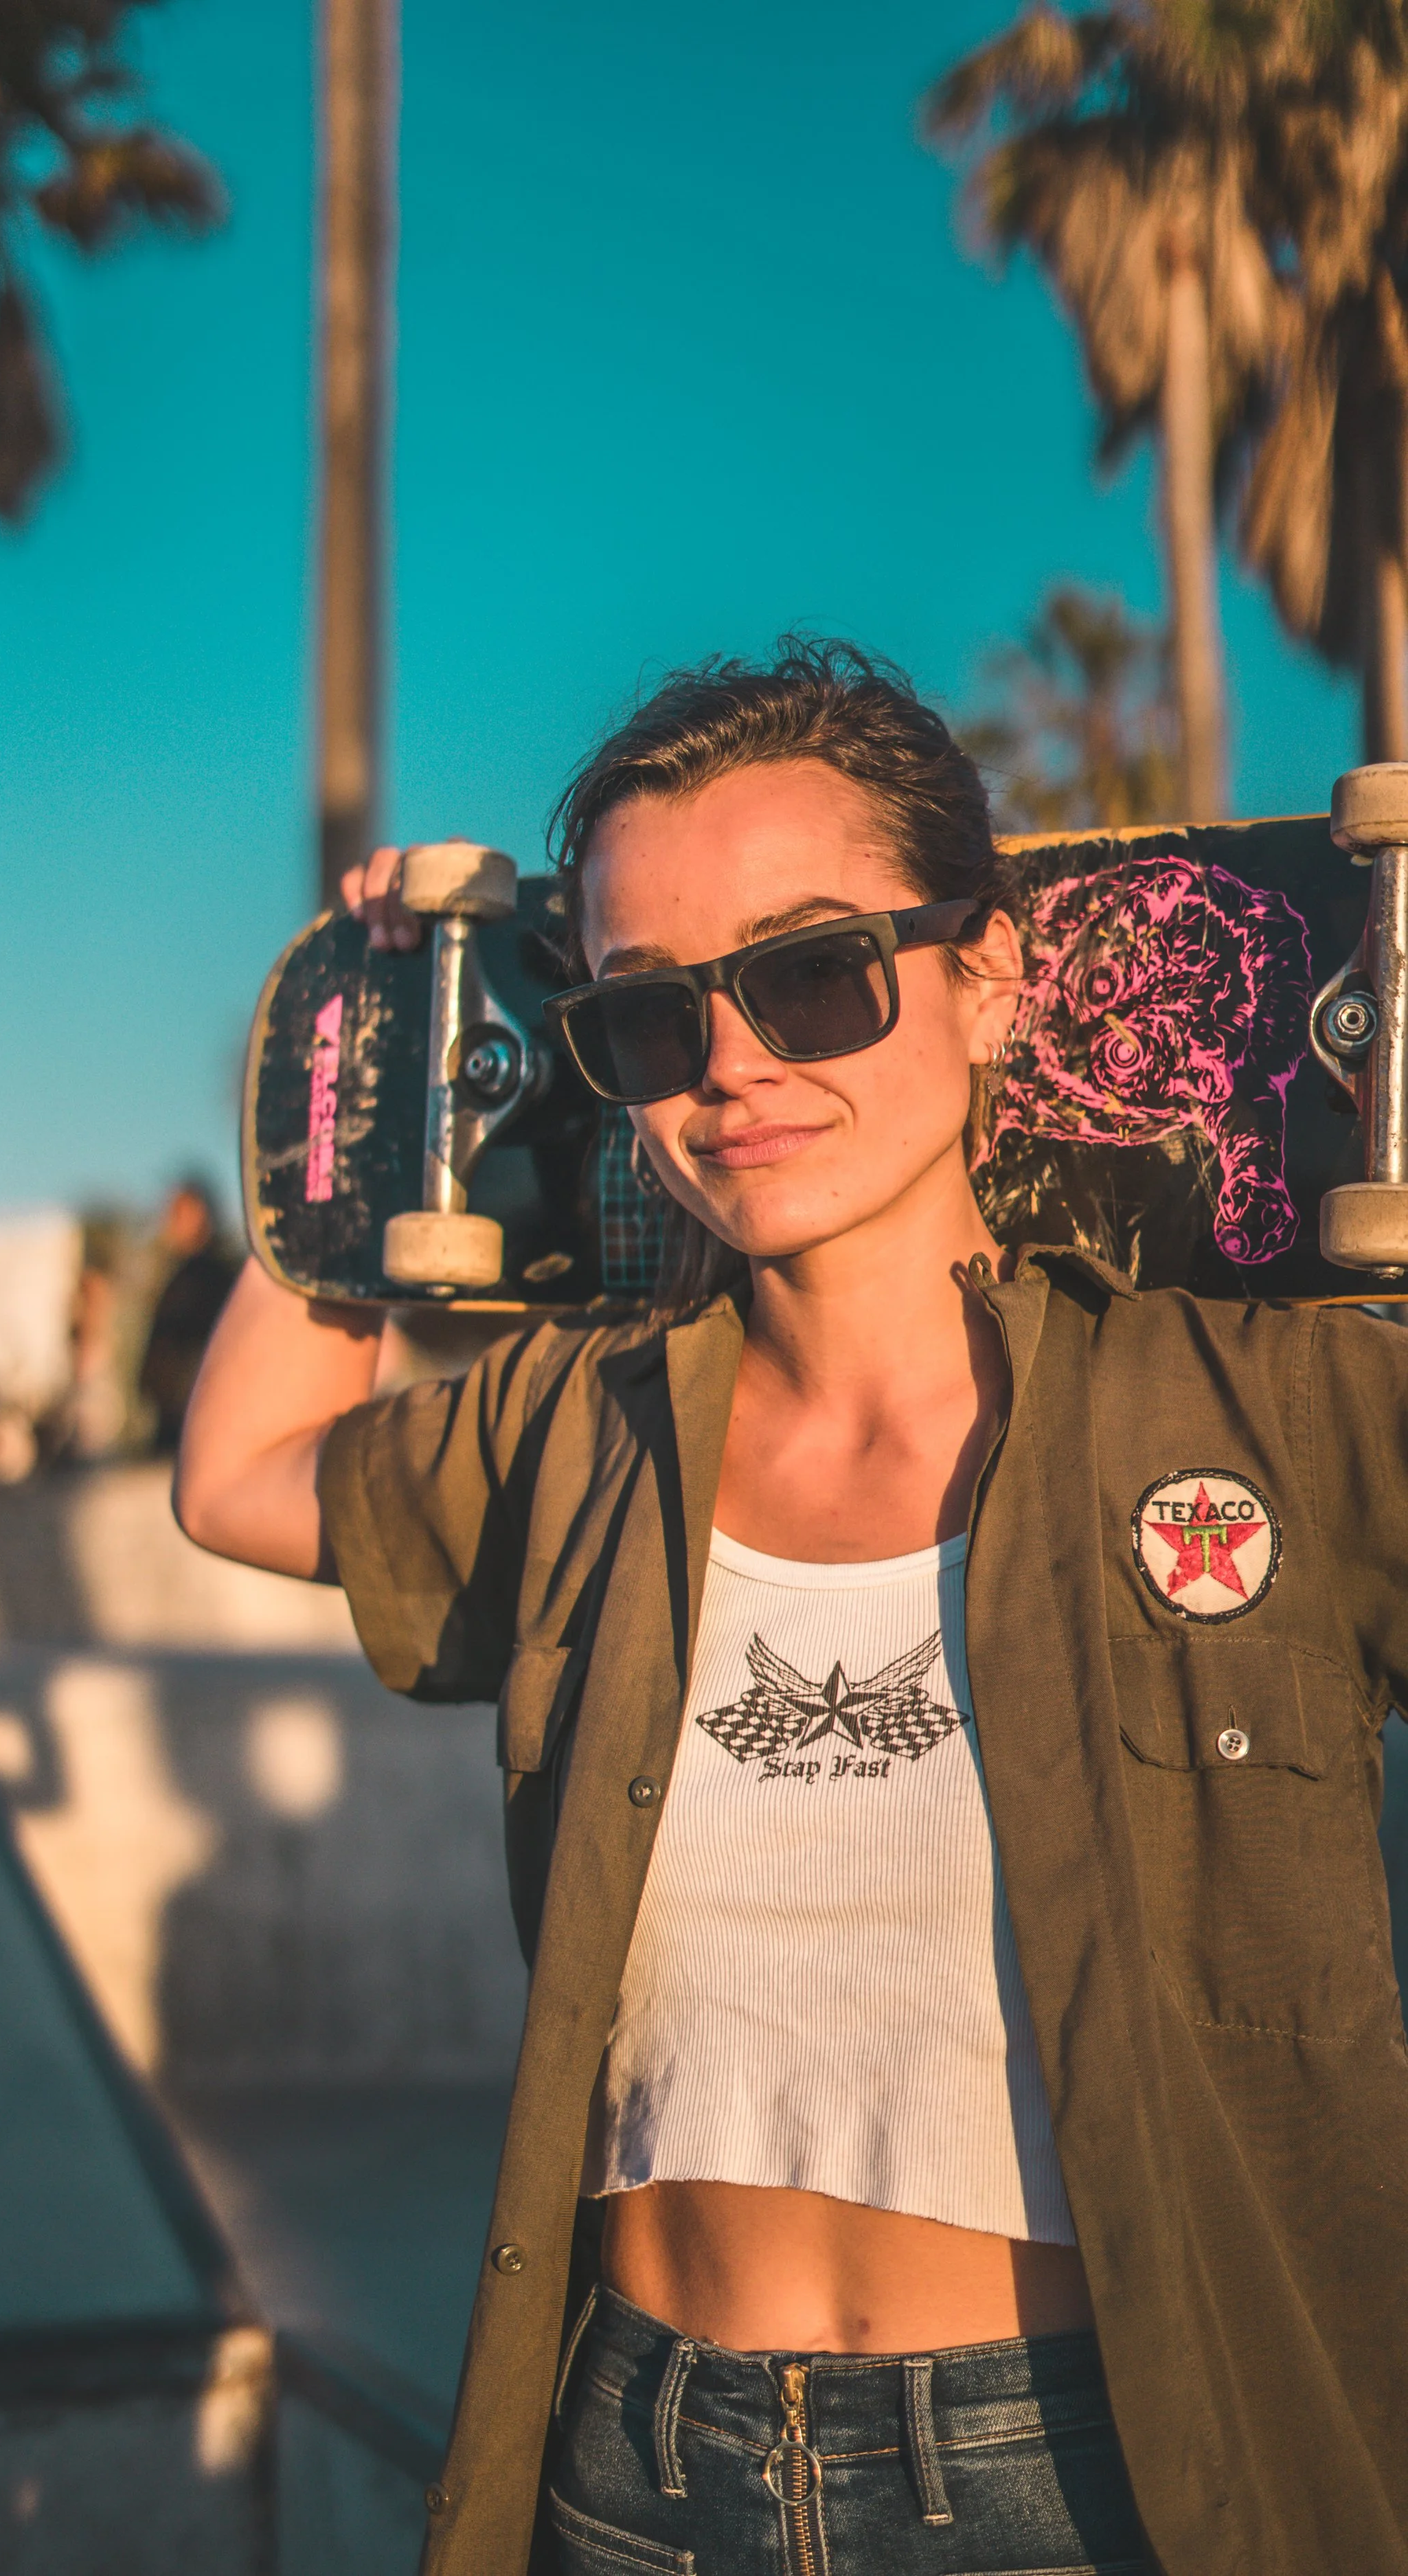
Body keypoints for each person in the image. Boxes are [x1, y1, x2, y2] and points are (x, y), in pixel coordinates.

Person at [174, 641, 1408, 2576]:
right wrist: (373, 1048)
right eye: (649, 1015)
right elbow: (240, 1475)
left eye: (814, 968)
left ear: (986, 979)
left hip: (1083, 2471)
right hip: (637, 2455)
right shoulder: (577, 1429)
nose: (735, 1058)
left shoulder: (1259, 1402)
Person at [137, 1176, 240, 1455]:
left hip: (195, 1422)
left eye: (179, 1212)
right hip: (175, 1419)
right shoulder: (177, 1273)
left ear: (202, 1214)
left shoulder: (211, 1277)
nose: (170, 1222)